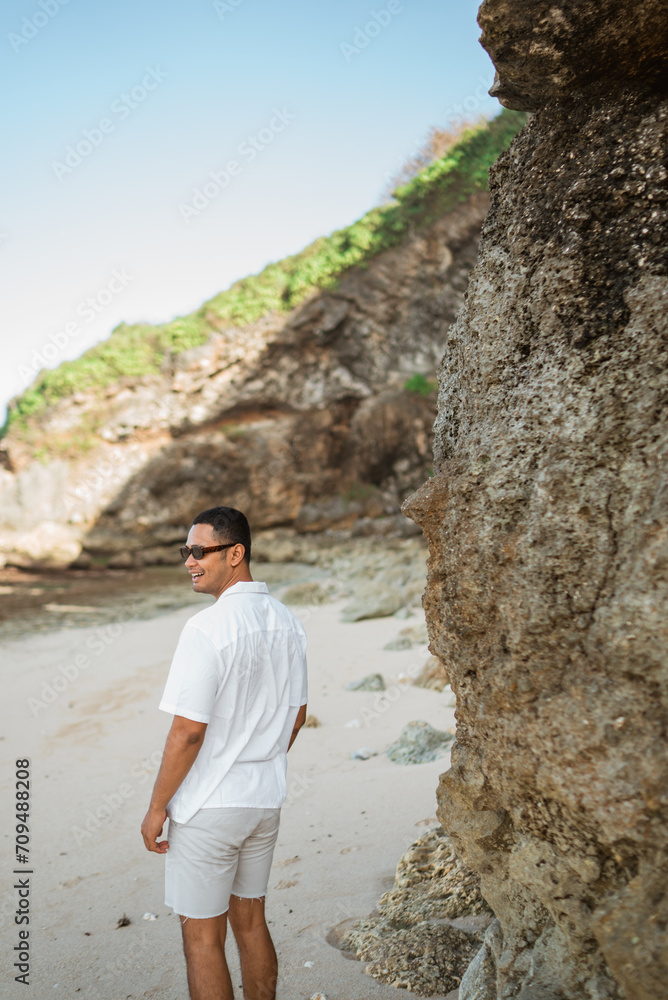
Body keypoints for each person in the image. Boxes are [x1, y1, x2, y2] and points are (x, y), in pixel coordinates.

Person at [141, 506, 308, 1000]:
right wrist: (260, 754)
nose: (189, 561)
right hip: (263, 800)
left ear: (235, 554)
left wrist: (156, 809)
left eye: (199, 551)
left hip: (210, 806)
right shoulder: (288, 621)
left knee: (201, 938)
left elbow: (188, 732)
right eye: (185, 552)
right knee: (251, 922)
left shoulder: (205, 628)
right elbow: (296, 715)